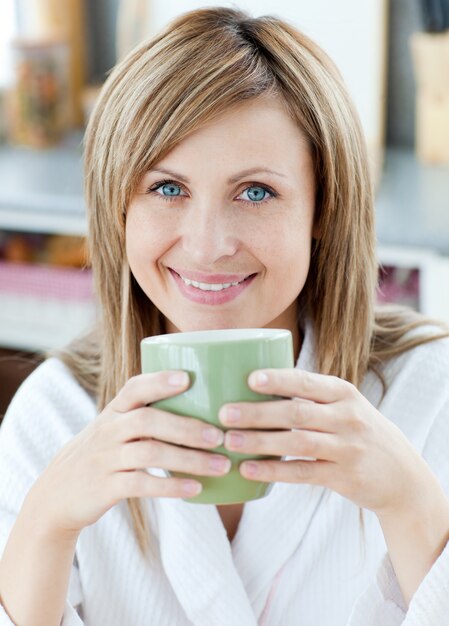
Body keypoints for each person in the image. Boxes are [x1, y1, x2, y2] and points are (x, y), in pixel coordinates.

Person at [1, 6, 449, 626]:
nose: (208, 245)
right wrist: (46, 525)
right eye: (166, 188)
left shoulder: (431, 392)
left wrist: (411, 503)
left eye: (256, 192)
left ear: (322, 208)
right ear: (117, 206)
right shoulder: (53, 418)